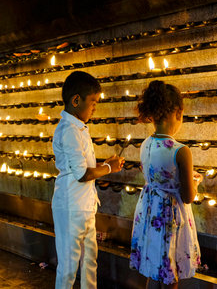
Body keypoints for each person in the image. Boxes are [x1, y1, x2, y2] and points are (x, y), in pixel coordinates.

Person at [52, 71, 125, 289]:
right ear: (76, 100)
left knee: (89, 260)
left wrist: (105, 165)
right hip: (71, 207)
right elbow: (82, 174)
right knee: (68, 266)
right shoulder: (68, 130)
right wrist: (108, 168)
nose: (95, 108)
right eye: (93, 103)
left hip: (85, 206)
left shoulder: (79, 127)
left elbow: (84, 167)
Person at [130, 80, 202, 289]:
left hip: (149, 212)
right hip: (170, 217)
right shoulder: (181, 150)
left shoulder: (145, 144)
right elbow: (188, 196)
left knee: (154, 268)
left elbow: (156, 176)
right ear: (178, 112)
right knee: (170, 273)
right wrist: (196, 182)